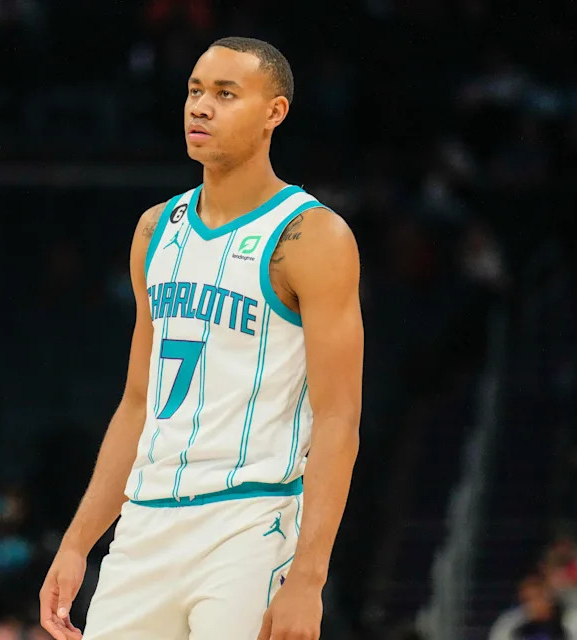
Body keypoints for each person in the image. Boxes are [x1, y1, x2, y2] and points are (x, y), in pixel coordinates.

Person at [38, 36, 363, 640]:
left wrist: (309, 579)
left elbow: (339, 416)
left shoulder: (312, 236)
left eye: (224, 93)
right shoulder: (155, 229)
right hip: (144, 524)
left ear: (275, 112)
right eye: (193, 91)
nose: (200, 107)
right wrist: (78, 542)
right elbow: (138, 401)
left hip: (249, 520)